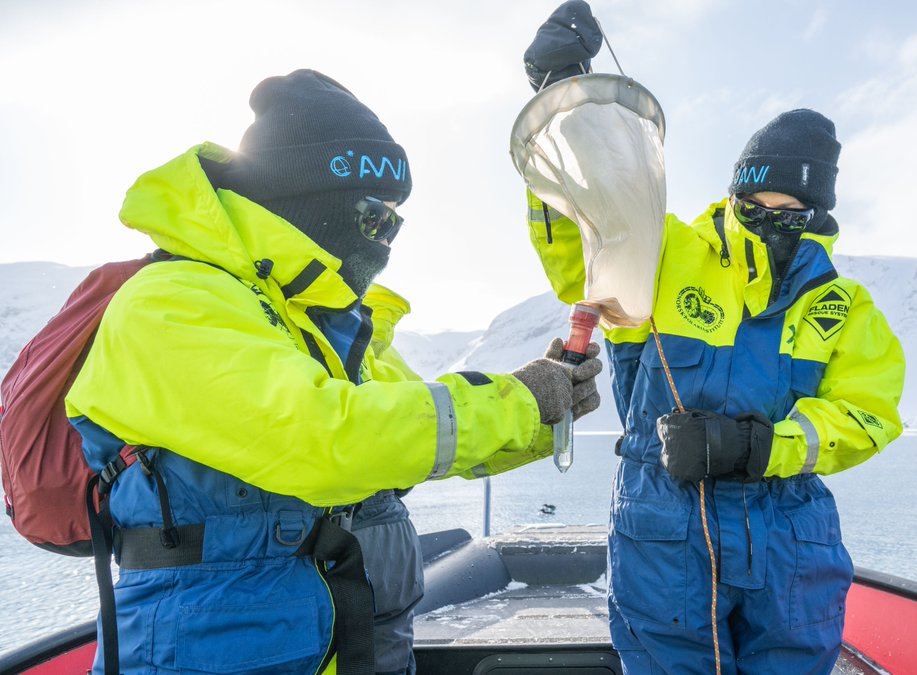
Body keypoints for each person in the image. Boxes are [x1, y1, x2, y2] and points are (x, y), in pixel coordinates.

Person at [64, 69, 602, 675]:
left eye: (395, 222)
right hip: (215, 652)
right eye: (374, 216)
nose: (385, 238)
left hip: (351, 642)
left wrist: (541, 412)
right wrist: (518, 401)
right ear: (308, 197)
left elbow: (417, 432)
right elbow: (327, 441)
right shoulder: (172, 303)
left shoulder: (326, 323)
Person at [521, 6, 905, 674]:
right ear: (736, 192)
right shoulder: (664, 250)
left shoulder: (845, 308)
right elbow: (582, 231)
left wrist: (761, 446)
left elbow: (867, 415)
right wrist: (561, 92)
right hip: (663, 532)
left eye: (792, 213)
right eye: (755, 204)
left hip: (789, 539)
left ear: (819, 216)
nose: (768, 222)